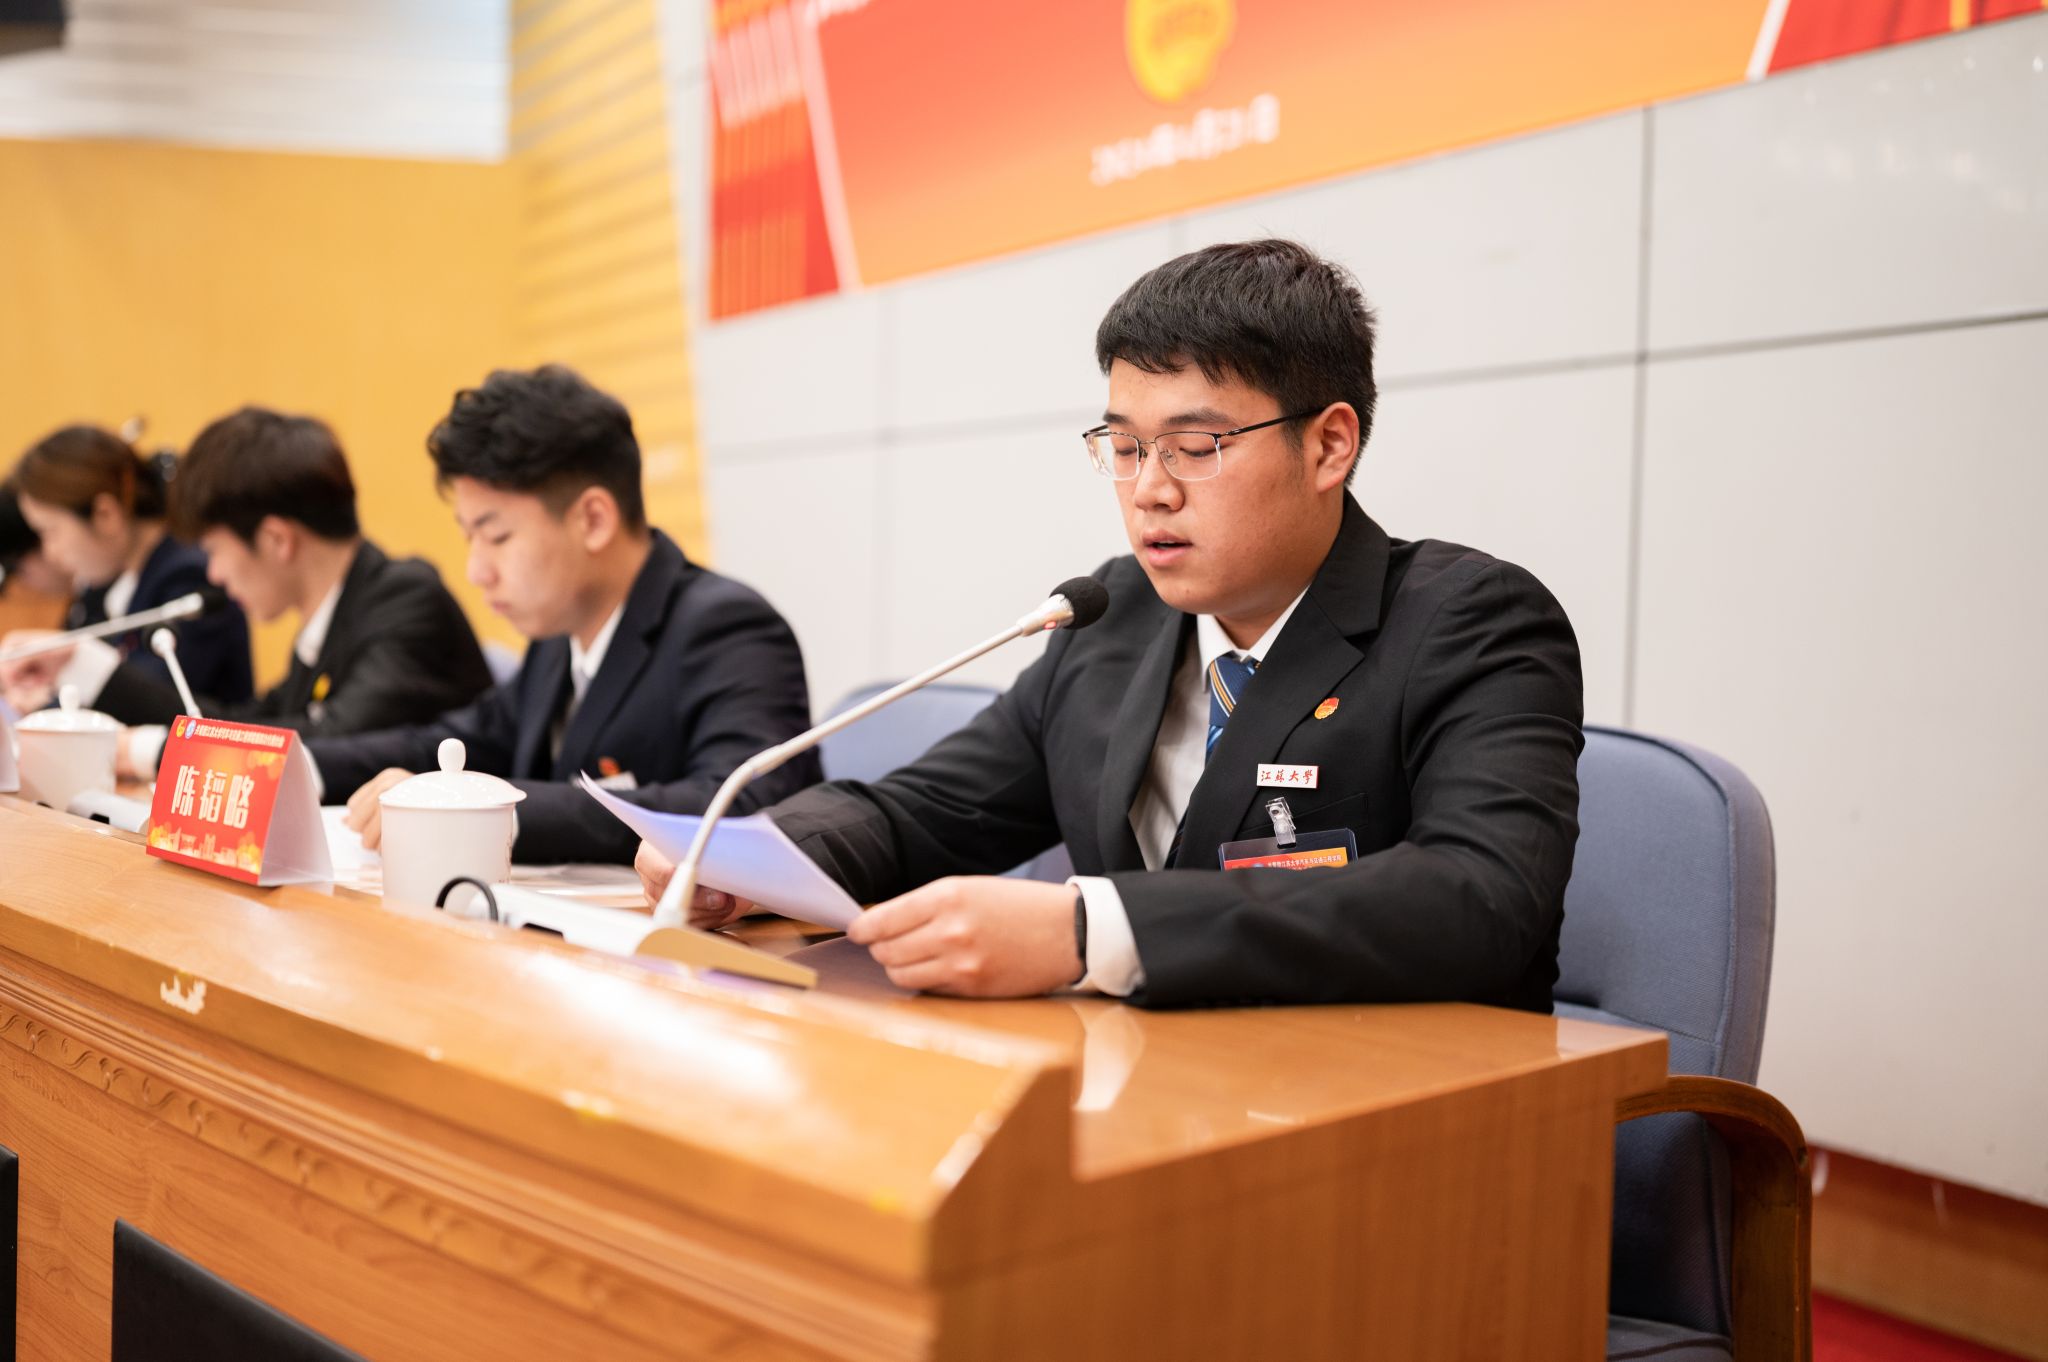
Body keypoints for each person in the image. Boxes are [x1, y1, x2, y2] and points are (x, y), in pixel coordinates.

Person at [637, 240, 1584, 1009]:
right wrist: (748, 857)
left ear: (1329, 444)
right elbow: (927, 812)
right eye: (1125, 447)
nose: (1149, 490)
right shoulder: (1114, 614)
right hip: (1152, 1091)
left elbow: (1484, 897)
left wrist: (1092, 932)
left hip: (1399, 1119)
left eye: (1195, 446)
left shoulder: (1469, 623)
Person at [308, 364, 821, 865]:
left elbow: (738, 805)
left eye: (497, 536)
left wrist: (495, 815)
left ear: (593, 520)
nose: (476, 571)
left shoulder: (729, 628)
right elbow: (459, 742)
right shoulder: (557, 636)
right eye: (470, 538)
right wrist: (305, 764)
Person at [72, 407, 491, 772]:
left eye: (214, 550)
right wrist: (90, 670)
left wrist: (155, 751)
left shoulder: (406, 601)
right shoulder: (334, 615)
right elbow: (241, 720)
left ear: (277, 539)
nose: (214, 574)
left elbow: (331, 741)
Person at [1, 425, 253, 717]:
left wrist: (59, 686)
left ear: (105, 515)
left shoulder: (191, 577)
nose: (49, 552)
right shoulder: (105, 588)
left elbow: (155, 701)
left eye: (49, 532)